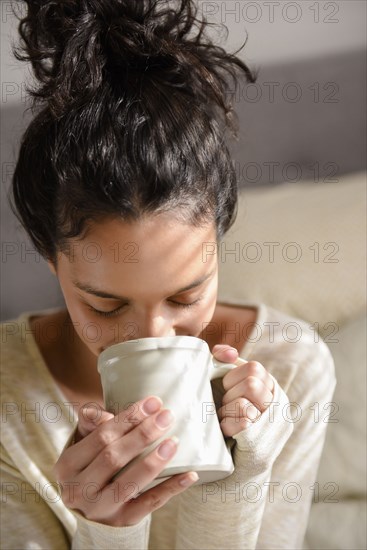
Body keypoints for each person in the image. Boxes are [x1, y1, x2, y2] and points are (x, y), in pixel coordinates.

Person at [1, 1, 336, 548]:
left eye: (187, 295)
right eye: (106, 306)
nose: (154, 337)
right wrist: (107, 528)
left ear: (218, 249)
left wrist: (237, 483)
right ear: (51, 260)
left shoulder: (291, 368)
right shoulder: (7, 397)